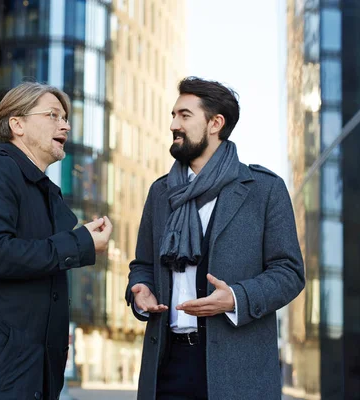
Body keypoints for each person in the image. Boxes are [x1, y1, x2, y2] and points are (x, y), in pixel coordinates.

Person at [125, 77, 305, 400]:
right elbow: (142, 264)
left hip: (238, 373)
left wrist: (235, 298)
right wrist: (140, 289)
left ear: (215, 124)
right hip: (166, 369)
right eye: (173, 115)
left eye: (184, 115)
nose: (173, 125)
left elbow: (290, 273)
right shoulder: (160, 192)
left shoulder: (264, 190)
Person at [0, 82, 112, 400]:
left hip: (32, 379)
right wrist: (79, 242)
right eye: (53, 115)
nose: (65, 125)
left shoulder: (48, 195)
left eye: (65, 117)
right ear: (17, 124)